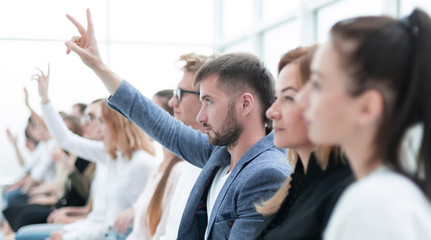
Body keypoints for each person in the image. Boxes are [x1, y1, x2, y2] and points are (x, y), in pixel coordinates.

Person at [64, 9, 291, 239]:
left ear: (245, 104)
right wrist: (99, 67)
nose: (201, 117)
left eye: (209, 102)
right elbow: (162, 125)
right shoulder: (220, 154)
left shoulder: (266, 173)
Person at [294, 9, 431, 240]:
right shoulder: (391, 195)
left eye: (317, 85)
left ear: (367, 107)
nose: (301, 99)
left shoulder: (373, 206)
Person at [32, 66, 159, 240]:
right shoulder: (111, 155)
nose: (98, 127)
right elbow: (66, 140)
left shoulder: (144, 162)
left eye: (101, 121)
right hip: (104, 233)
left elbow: (156, 204)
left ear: (116, 125)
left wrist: (69, 235)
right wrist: (45, 100)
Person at [253, 46, 353, 240]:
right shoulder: (294, 187)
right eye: (276, 98)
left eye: (289, 97)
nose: (271, 112)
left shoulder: (343, 192)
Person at [107, 89, 201, 240]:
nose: (147, 119)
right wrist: (133, 209)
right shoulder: (158, 170)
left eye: (154, 111)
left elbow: (163, 234)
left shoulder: (179, 170)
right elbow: (140, 229)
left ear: (168, 121)